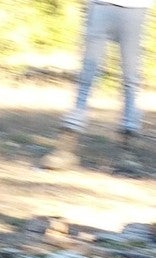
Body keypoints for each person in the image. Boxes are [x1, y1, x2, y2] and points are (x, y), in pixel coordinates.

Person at [42, 0, 152, 173]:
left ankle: (127, 150)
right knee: (87, 74)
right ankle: (66, 147)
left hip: (134, 7)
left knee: (130, 78)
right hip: (100, 5)